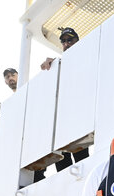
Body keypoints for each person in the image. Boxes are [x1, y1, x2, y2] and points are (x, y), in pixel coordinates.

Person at [39, 27, 89, 176]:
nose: (66, 44)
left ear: (77, 41)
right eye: (63, 41)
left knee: (82, 163)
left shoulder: (87, 58)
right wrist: (50, 67)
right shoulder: (58, 65)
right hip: (60, 122)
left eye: (70, 40)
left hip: (78, 119)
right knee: (62, 168)